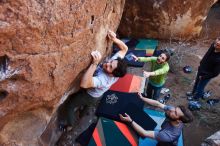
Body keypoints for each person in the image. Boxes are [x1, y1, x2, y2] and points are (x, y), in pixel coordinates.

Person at [59, 30, 128, 128]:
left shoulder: (103, 79)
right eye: (111, 62)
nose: (107, 64)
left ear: (113, 75)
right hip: (98, 94)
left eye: (110, 67)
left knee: (71, 105)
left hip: (90, 95)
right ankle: (83, 114)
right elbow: (125, 49)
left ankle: (71, 125)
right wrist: (114, 39)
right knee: (88, 105)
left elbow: (84, 84)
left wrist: (94, 63)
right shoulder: (116, 64)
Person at [119, 93, 193, 146]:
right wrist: (142, 98)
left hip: (167, 143)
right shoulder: (173, 112)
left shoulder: (167, 135)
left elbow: (144, 133)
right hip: (165, 133)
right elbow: (158, 104)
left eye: (175, 113)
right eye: (175, 109)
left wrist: (130, 121)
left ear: (179, 120)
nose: (171, 110)